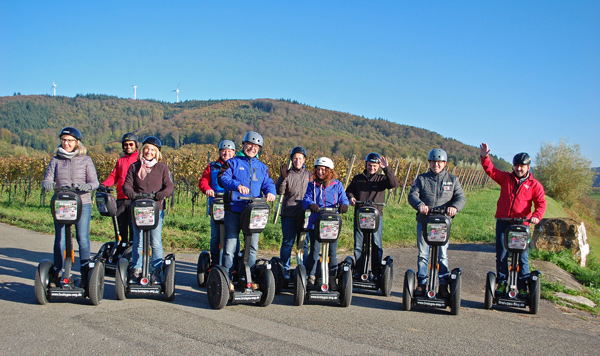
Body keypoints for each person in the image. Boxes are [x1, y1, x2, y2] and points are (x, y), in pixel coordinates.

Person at [480, 143, 546, 296]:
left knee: (522, 257)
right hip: (503, 222)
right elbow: (490, 170)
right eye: (516, 166)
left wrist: (536, 216)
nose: (518, 168)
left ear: (528, 167)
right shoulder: (506, 178)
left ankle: (522, 286)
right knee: (502, 255)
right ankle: (502, 284)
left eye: (522, 166)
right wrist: (485, 157)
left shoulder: (534, 185)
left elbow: (541, 203)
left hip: (522, 225)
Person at [218, 131, 276, 288]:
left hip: (253, 211)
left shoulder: (262, 167)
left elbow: (268, 182)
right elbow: (223, 179)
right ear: (243, 145)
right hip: (235, 209)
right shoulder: (232, 163)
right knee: (230, 246)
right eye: (250, 144)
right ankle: (227, 279)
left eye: (256, 146)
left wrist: (271, 192)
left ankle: (247, 278)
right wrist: (237, 185)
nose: (253, 148)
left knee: (252, 247)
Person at [42, 127, 99, 287]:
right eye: (64, 140)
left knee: (82, 238)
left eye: (70, 140)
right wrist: (47, 184)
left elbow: (94, 182)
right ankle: (58, 272)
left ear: (77, 143)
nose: (66, 143)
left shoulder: (86, 160)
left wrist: (88, 186)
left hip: (82, 202)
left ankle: (85, 271)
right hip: (61, 202)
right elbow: (47, 179)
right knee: (60, 239)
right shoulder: (55, 160)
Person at [408, 148, 466, 297]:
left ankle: (443, 285)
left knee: (442, 254)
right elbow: (412, 195)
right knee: (423, 254)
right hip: (425, 221)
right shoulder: (422, 179)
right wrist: (419, 205)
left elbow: (460, 198)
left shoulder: (453, 180)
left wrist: (454, 207)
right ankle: (421, 283)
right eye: (433, 162)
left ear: (444, 163)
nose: (436, 165)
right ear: (429, 163)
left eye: (439, 162)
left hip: (442, 223)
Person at [123, 136, 174, 284]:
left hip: (155, 208)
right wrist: (130, 192)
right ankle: (137, 270)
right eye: (146, 149)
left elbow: (169, 185)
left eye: (152, 150)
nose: (149, 152)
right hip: (139, 208)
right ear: (142, 150)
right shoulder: (134, 167)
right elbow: (127, 184)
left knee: (156, 241)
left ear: (157, 152)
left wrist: (163, 194)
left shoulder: (162, 168)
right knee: (138, 241)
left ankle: (156, 271)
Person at [346, 153, 398, 280]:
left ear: (378, 166)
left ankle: (376, 272)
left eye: (375, 166)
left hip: (375, 216)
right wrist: (351, 197)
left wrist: (386, 169)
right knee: (359, 244)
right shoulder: (358, 178)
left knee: (376, 244)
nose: (372, 168)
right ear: (366, 164)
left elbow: (393, 184)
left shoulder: (381, 179)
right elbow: (349, 190)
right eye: (370, 165)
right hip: (360, 215)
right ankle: (359, 270)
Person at [302, 157, 349, 290]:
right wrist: (311, 204)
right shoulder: (312, 185)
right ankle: (311, 276)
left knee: (332, 253)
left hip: (332, 222)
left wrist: (344, 205)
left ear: (329, 171)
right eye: (318, 169)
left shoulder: (337, 185)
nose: (320, 172)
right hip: (315, 222)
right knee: (315, 250)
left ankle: (332, 278)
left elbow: (343, 198)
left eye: (323, 169)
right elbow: (306, 198)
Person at [275, 146, 312, 279]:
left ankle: (304, 269)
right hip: (289, 213)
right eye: (295, 158)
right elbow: (280, 191)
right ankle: (285, 269)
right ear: (292, 159)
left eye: (300, 158)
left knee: (304, 243)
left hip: (305, 214)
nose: (297, 161)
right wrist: (283, 178)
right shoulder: (288, 174)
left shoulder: (309, 175)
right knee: (288, 242)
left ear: (304, 160)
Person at [198, 139, 236, 266]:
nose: (226, 154)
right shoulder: (212, 167)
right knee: (216, 236)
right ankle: (215, 263)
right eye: (224, 151)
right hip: (216, 205)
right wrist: (207, 189)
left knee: (232, 237)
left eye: (229, 152)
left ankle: (233, 265)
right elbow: (203, 181)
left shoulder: (236, 166)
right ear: (220, 152)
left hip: (233, 206)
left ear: (234, 153)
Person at [100, 132, 139, 244]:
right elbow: (114, 176)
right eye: (126, 145)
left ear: (136, 145)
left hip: (134, 198)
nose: (128, 147)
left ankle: (133, 250)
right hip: (121, 198)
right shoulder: (120, 161)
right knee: (121, 226)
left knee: (134, 227)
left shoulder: (139, 160)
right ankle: (122, 248)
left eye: (131, 144)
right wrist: (104, 184)